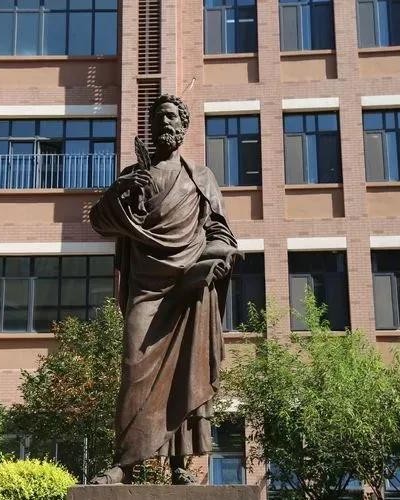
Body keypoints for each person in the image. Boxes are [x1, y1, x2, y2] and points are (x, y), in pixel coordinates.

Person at [89, 94, 239, 485]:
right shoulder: (134, 176)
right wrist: (120, 189)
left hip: (186, 289)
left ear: (184, 126)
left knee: (185, 373)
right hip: (147, 290)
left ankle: (178, 465)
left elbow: (219, 231)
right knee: (133, 368)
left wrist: (219, 258)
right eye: (159, 117)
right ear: (152, 127)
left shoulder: (200, 178)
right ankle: (125, 463)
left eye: (172, 117)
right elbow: (100, 221)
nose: (165, 123)